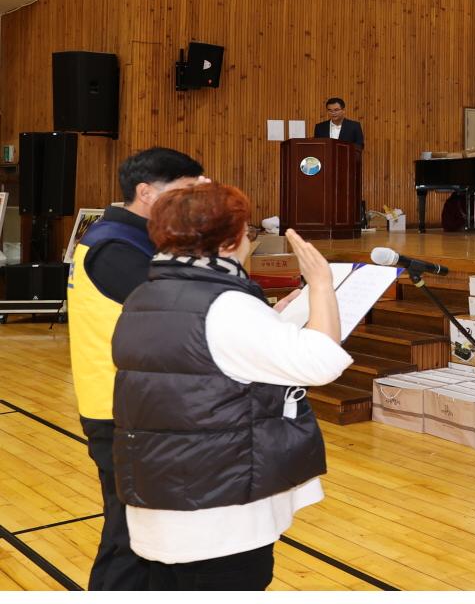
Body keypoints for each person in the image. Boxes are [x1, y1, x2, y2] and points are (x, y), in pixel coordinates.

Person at [110, 184, 353, 590]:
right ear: (230, 240)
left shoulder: (145, 295)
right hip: (219, 513)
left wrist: (270, 323)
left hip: (165, 499)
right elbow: (323, 362)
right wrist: (322, 285)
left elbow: (208, 363)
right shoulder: (225, 306)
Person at [67, 147, 205, 590]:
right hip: (121, 413)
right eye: (184, 191)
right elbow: (177, 311)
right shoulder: (113, 246)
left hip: (138, 408)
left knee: (148, 536)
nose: (191, 202)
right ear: (146, 192)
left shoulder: (133, 238)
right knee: (129, 538)